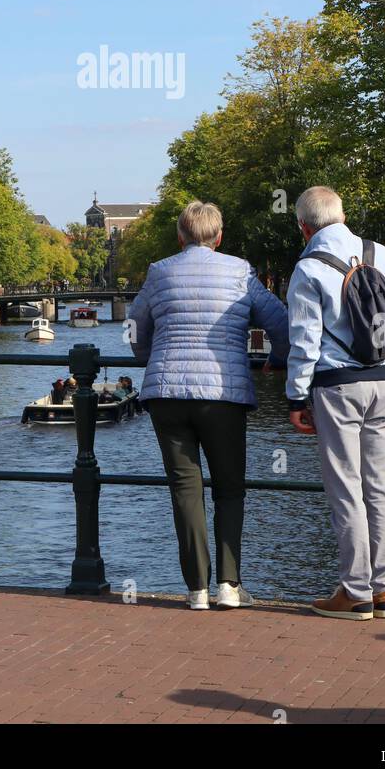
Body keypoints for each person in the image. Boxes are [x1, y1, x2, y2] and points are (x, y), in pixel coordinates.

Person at [129, 200, 289, 611]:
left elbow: (135, 325)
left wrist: (149, 356)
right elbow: (280, 322)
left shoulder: (159, 271)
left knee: (185, 489)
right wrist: (279, 357)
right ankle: (229, 586)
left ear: (180, 237)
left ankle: (196, 589)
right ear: (219, 238)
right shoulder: (240, 272)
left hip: (167, 394)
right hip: (223, 396)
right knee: (230, 488)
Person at [283, 186, 385, 622]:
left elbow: (304, 341)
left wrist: (296, 397)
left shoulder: (308, 268)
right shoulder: (379, 253)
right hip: (384, 381)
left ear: (304, 227)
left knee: (346, 488)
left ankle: (355, 591)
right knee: (381, 486)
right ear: (343, 214)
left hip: (338, 386)